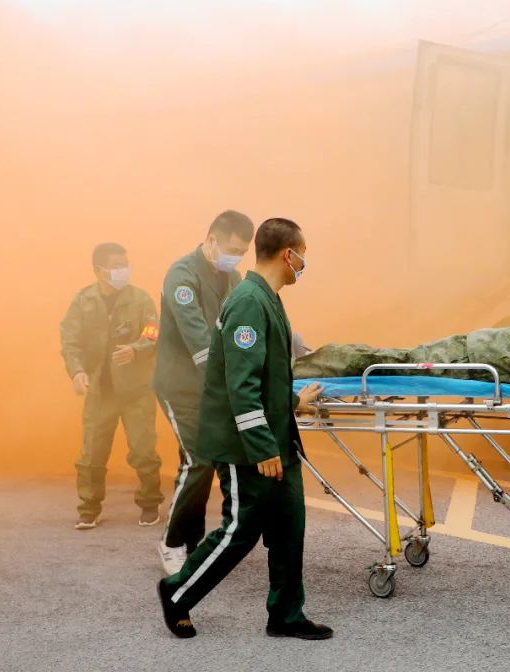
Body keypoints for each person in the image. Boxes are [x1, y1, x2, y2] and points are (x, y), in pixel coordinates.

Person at [157, 218, 327, 640]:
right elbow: (240, 385)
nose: (304, 263)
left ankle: (286, 615)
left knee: (290, 524)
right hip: (246, 445)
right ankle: (177, 592)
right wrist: (261, 447)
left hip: (275, 440)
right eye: (303, 253)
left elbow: (267, 378)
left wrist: (292, 402)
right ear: (289, 254)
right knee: (241, 529)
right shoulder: (249, 301)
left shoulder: (266, 297)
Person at [154, 210, 254, 575]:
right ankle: (171, 542)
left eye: (242, 252)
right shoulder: (181, 274)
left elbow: (243, 323)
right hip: (178, 384)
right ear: (211, 239)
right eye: (231, 249)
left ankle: (192, 540)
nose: (235, 257)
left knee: (207, 461)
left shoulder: (233, 276)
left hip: (210, 386)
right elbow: (196, 332)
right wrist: (230, 378)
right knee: (197, 459)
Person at [59, 243, 163, 530]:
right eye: (117, 265)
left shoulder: (140, 299)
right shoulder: (83, 301)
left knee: (143, 450)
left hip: (136, 390)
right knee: (92, 454)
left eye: (126, 264)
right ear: (99, 270)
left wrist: (136, 349)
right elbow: (70, 341)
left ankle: (149, 503)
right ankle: (89, 508)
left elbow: (153, 333)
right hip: (100, 391)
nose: (123, 270)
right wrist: (77, 372)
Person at [293, 319, 510, 390]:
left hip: (461, 365)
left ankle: (299, 369)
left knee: (371, 361)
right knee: (378, 357)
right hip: (463, 350)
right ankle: (309, 360)